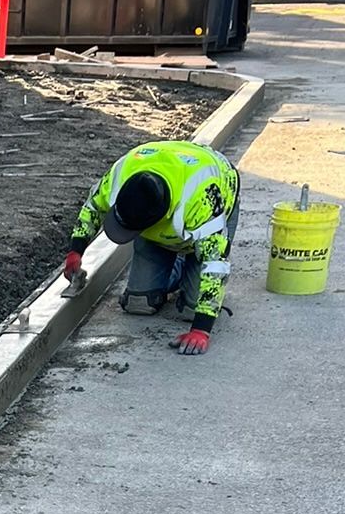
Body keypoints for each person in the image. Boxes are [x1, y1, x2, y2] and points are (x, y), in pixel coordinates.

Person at [62, 140, 240, 356]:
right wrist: (76, 250)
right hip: (163, 215)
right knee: (139, 304)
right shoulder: (122, 174)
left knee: (192, 310)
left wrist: (201, 330)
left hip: (216, 190)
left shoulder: (202, 200)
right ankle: (176, 267)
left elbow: (215, 264)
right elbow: (92, 208)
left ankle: (189, 260)